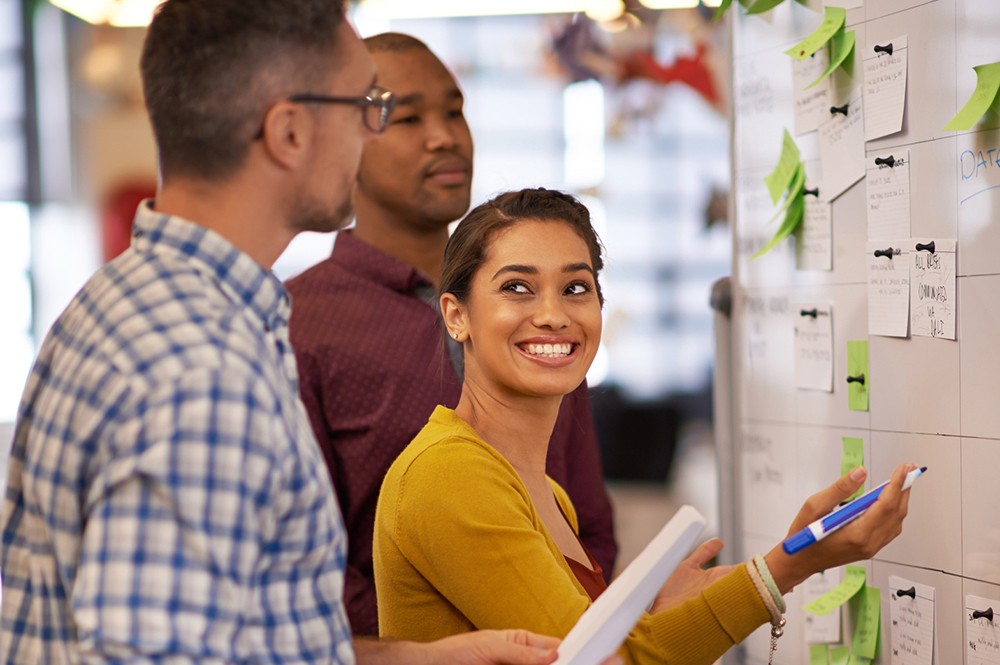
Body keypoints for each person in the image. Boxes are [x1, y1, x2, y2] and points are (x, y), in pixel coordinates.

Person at [0, 3, 593, 663]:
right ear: (289, 133)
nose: (372, 132)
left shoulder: (134, 304)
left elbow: (254, 633)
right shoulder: (200, 367)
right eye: (364, 106)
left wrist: (420, 656)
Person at [373, 188, 914, 663]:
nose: (554, 315)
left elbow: (589, 641)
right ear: (456, 315)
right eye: (517, 288)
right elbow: (608, 663)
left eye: (576, 288)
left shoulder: (545, 491)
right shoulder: (449, 472)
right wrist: (788, 568)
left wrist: (655, 610)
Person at [286, 32, 616, 636]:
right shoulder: (298, 322)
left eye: (455, 111)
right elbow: (305, 564)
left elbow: (586, 516)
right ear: (340, 142)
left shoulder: (536, 313)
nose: (444, 136)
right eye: (407, 116)